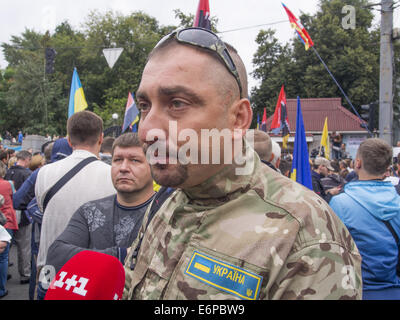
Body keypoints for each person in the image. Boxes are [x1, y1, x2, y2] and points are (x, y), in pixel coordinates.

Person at [122, 27, 362, 300]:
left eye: (177, 103)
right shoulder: (168, 199)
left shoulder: (304, 235)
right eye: (144, 105)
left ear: (238, 119)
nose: (146, 130)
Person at [46, 133, 158, 273]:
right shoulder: (90, 211)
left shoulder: (165, 212)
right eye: (117, 160)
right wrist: (121, 254)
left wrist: (89, 257)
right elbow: (57, 255)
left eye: (134, 160)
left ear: (153, 166)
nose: (123, 168)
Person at [35, 111, 116, 300]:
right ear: (101, 138)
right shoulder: (113, 175)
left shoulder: (45, 172)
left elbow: (42, 210)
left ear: (69, 140)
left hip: (50, 266)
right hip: (92, 270)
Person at [329, 138, 400, 300]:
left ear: (358, 163)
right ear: (387, 168)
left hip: (353, 289)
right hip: (393, 288)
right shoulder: (398, 202)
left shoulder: (340, 203)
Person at [4, 150, 32, 285]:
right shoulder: (27, 174)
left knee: (6, 244)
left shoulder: (8, 172)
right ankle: (25, 273)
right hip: (22, 211)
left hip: (6, 213)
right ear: (27, 159)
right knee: (24, 245)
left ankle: (5, 270)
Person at [0, 162, 18, 298]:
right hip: (6, 220)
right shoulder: (8, 184)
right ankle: (1, 288)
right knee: (3, 257)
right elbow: (15, 199)